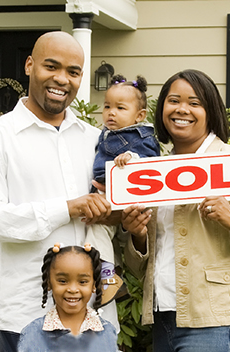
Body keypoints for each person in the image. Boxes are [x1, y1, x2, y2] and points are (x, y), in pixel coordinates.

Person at [120, 69, 230, 352]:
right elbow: (144, 264)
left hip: (222, 321)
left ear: (211, 110)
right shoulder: (150, 172)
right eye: (174, 101)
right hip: (163, 317)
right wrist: (137, 236)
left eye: (195, 103)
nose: (182, 109)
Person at [0, 31, 118, 352]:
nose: (62, 79)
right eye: (51, 67)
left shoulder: (97, 141)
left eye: (73, 72)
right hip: (23, 316)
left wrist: (116, 213)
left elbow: (112, 218)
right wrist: (69, 208)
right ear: (30, 66)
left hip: (94, 319)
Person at [87, 74, 157, 308]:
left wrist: (131, 158)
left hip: (123, 195)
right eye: (107, 106)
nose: (111, 113)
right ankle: (114, 274)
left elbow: (149, 158)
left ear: (139, 116)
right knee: (107, 237)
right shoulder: (106, 132)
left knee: (97, 229)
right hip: (108, 192)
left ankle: (108, 278)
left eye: (120, 108)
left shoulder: (141, 135)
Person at [16, 244, 119, 352]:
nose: (73, 289)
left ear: (94, 285)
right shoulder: (33, 332)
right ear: (49, 283)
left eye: (82, 282)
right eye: (63, 281)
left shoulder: (106, 331)